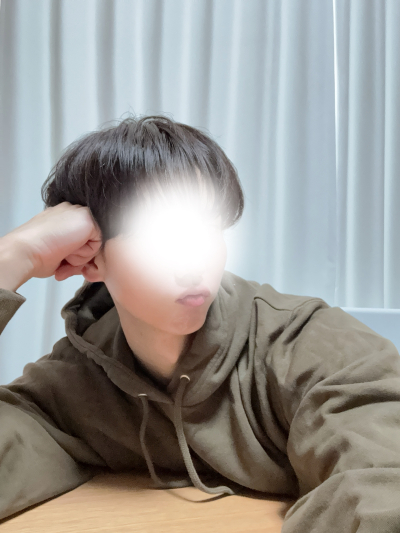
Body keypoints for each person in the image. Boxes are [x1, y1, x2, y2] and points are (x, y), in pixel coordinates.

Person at [0, 116, 400, 532]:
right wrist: (14, 255)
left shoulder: (313, 348)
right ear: (90, 258)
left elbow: (383, 487)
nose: (193, 265)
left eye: (207, 228)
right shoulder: (76, 383)